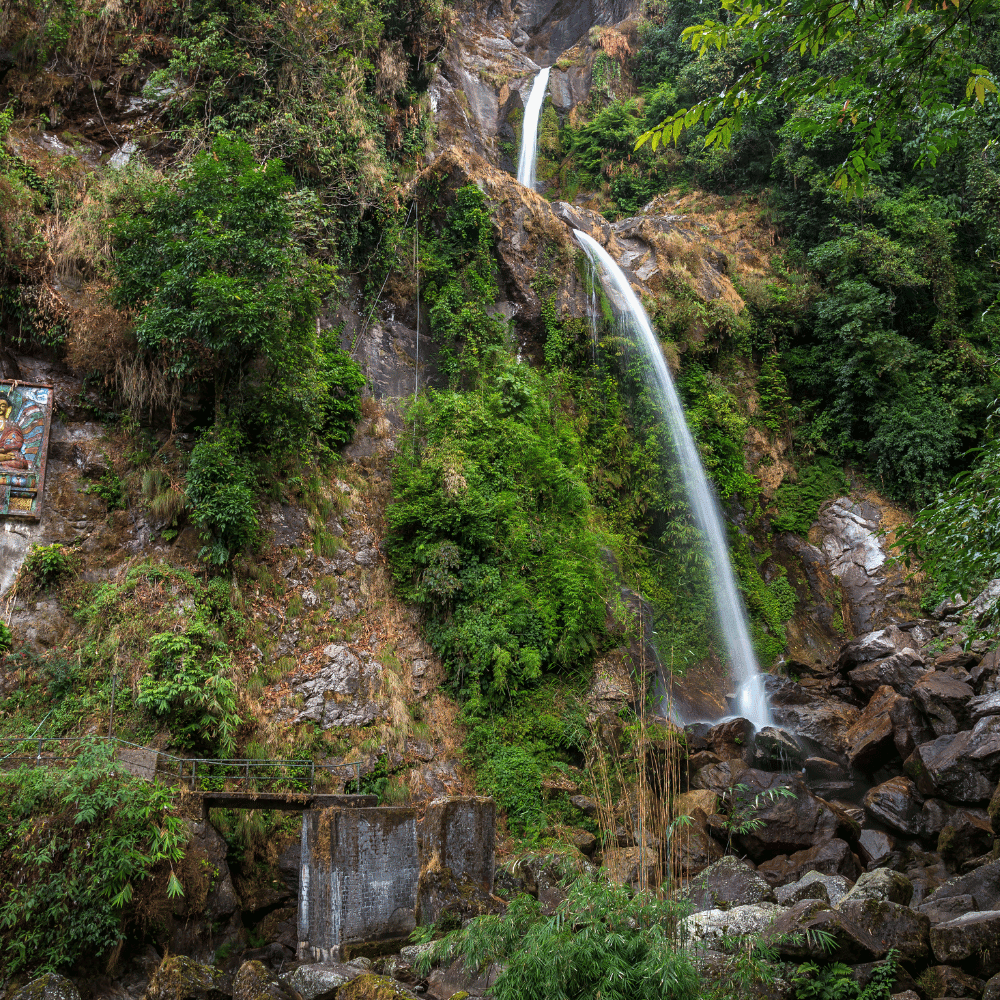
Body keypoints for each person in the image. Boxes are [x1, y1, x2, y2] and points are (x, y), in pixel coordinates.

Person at [0, 396, 29, 470]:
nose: (0, 408)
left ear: (8, 409)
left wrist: (3, 449)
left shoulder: (12, 425)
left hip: (8, 454)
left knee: (18, 461)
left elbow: (17, 443)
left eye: (2, 406)